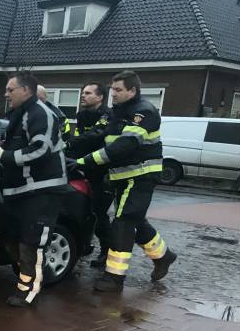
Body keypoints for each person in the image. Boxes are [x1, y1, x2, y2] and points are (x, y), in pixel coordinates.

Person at [74, 70, 177, 292]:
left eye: (119, 90)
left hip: (140, 176)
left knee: (123, 223)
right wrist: (68, 148)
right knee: (135, 220)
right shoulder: (117, 113)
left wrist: (83, 162)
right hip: (122, 177)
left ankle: (114, 278)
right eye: (112, 89)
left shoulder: (143, 112)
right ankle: (163, 256)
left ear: (133, 90)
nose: (114, 94)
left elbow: (124, 146)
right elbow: (98, 136)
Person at [0, 72, 68, 307]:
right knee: (12, 239)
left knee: (32, 243)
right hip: (20, 190)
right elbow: (19, 143)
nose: (6, 93)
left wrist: (6, 155)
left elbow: (41, 149)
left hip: (42, 190)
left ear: (26, 91)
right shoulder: (20, 113)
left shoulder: (41, 113)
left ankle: (29, 291)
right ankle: (26, 280)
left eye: (11, 90)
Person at [66, 82, 114, 268]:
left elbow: (96, 135)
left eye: (87, 93)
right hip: (86, 169)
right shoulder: (82, 115)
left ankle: (107, 251)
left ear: (100, 97)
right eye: (82, 92)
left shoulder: (107, 116)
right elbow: (80, 141)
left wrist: (70, 144)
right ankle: (85, 244)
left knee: (100, 213)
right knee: (87, 210)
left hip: (105, 172)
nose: (82, 96)